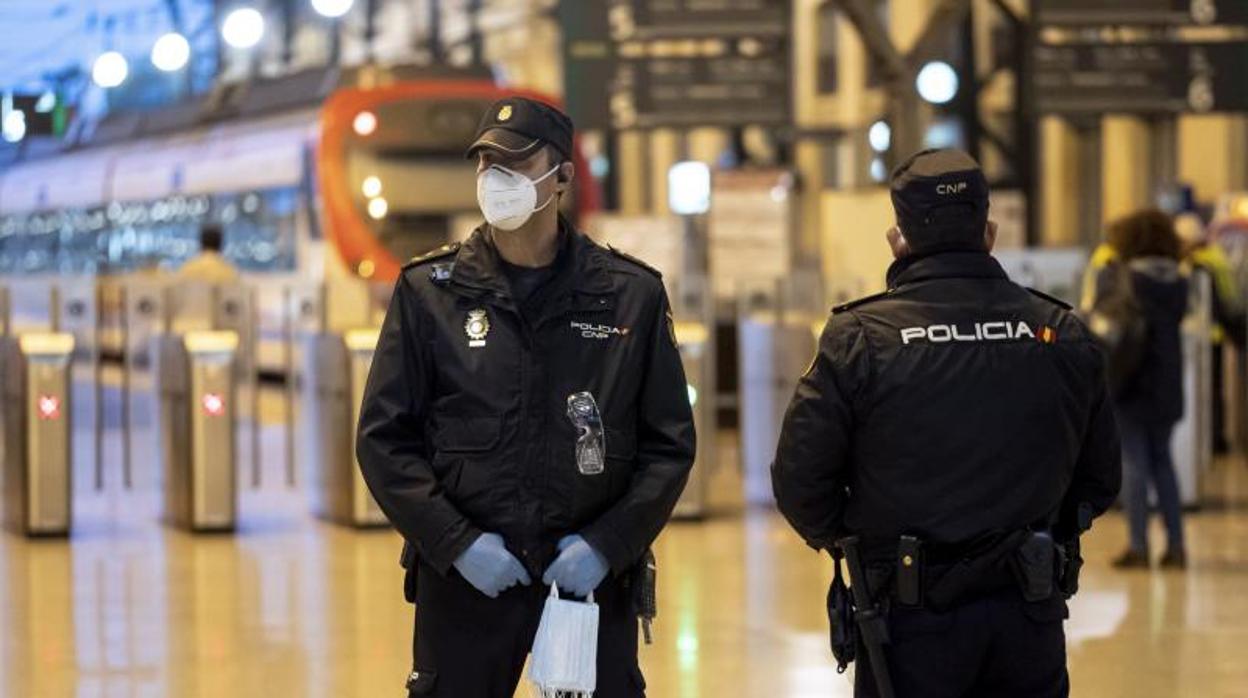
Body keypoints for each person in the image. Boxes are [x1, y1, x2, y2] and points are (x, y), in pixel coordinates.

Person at [355, 96, 696, 698]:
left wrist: (608, 544)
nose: (495, 179)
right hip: (467, 586)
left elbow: (668, 446)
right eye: (486, 163)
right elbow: (385, 439)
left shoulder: (628, 296)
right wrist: (456, 544)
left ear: (562, 175)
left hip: (587, 587)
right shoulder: (430, 293)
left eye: (514, 163)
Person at [771, 149, 1121, 697]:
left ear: (898, 238)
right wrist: (1042, 532)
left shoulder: (860, 338)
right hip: (1029, 614)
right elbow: (1100, 479)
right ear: (990, 231)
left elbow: (799, 481)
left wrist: (859, 543)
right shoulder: (1059, 331)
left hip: (907, 621)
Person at [1097, 210, 1190, 569]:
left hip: (1131, 379)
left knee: (1134, 462)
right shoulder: (1179, 281)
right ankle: (1177, 545)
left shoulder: (1124, 278)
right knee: (1163, 461)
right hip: (1168, 381)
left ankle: (1138, 545)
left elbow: (1108, 321)